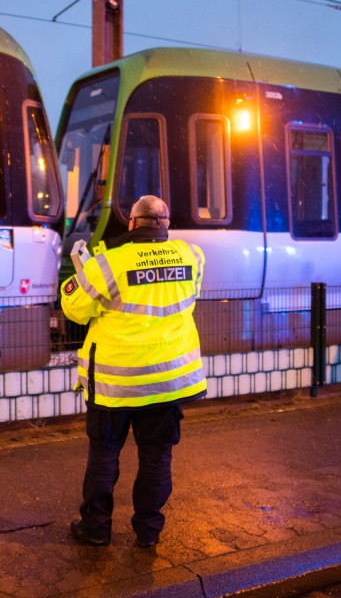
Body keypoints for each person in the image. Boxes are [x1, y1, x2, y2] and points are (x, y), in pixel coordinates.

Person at [60, 194, 207, 548]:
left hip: (116, 384)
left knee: (105, 456)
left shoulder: (107, 264)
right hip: (167, 381)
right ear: (166, 224)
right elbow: (188, 297)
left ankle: (96, 528)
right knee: (157, 457)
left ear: (131, 224)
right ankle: (148, 531)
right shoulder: (193, 256)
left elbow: (75, 310)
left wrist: (82, 273)